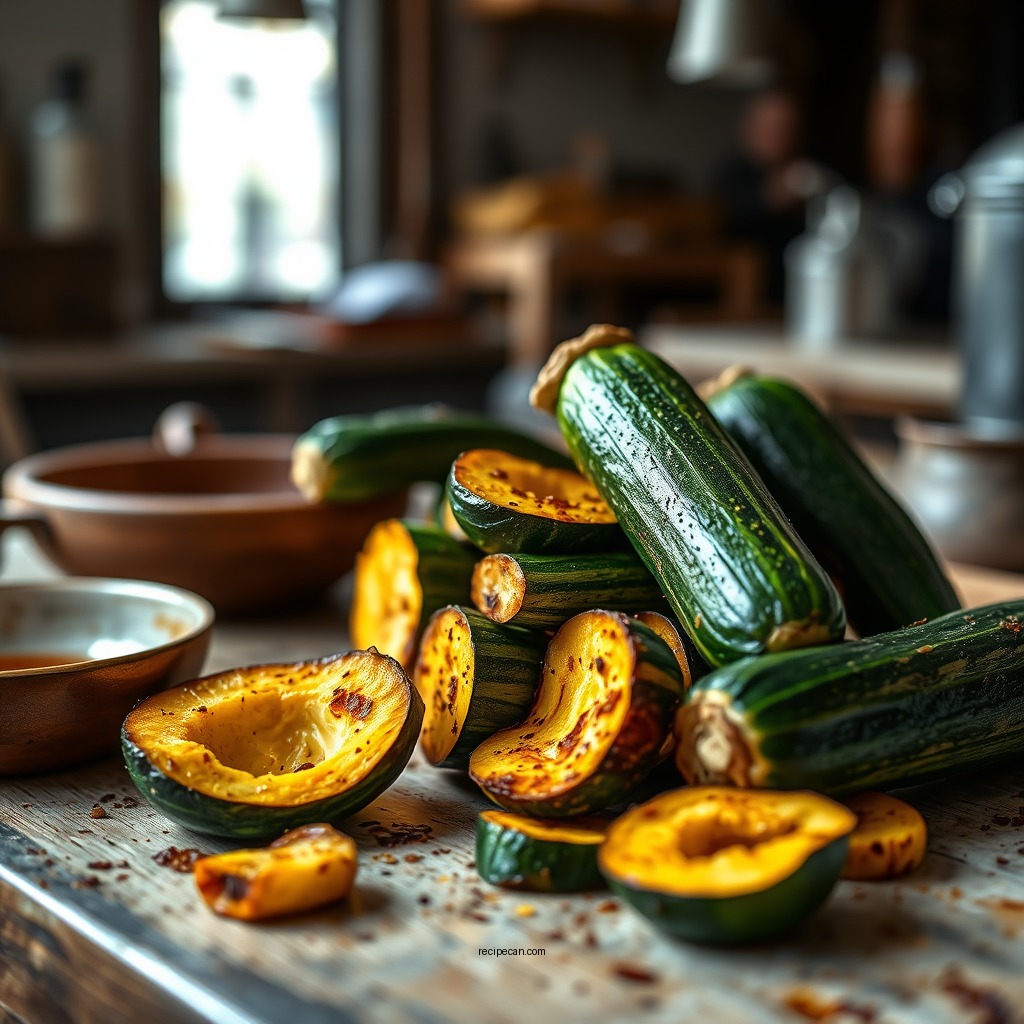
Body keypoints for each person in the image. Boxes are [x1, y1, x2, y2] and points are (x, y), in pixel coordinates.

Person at [711, 89, 823, 304]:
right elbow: (721, 224)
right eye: (771, 129)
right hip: (744, 296)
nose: (779, 138)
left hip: (800, 292)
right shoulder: (729, 175)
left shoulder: (809, 171)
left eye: (786, 130)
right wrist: (768, 199)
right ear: (749, 128)